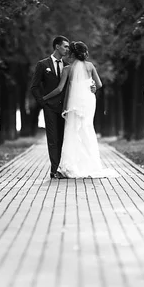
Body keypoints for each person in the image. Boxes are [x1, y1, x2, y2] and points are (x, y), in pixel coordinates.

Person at [43, 41, 118, 179]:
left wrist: (45, 97)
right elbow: (99, 84)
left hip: (74, 103)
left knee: (72, 130)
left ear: (72, 53)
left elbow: (60, 89)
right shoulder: (90, 66)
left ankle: (71, 166)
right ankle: (92, 165)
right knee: (87, 129)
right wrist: (93, 88)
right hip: (88, 101)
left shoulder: (67, 69)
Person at [29, 36, 71, 179]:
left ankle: (62, 168)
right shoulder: (43, 64)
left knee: (63, 138)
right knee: (53, 139)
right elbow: (34, 87)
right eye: (65, 46)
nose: (67, 49)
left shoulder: (67, 65)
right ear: (57, 46)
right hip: (50, 108)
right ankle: (54, 170)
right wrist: (42, 102)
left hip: (65, 108)